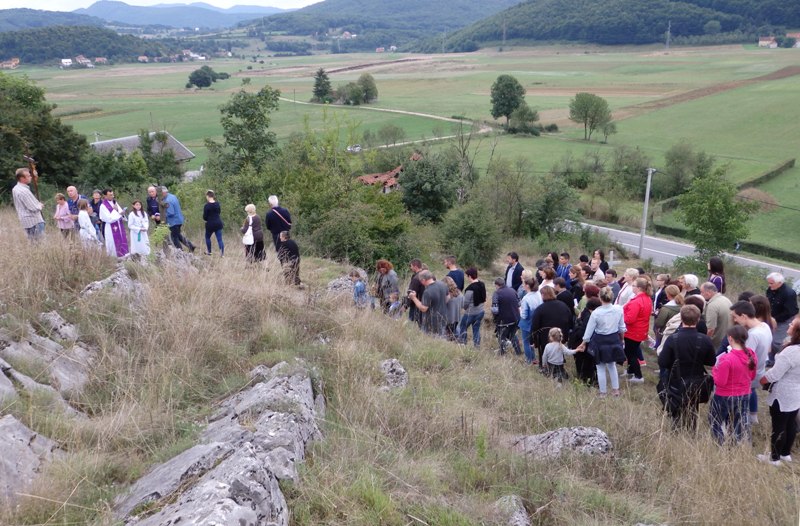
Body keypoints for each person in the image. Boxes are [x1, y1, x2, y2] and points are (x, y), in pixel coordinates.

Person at [657, 305, 716, 431]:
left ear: (681, 318)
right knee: (692, 409)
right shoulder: (704, 339)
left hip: (675, 380)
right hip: (696, 381)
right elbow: (711, 361)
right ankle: (690, 433)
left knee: (675, 409)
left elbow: (662, 362)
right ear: (698, 319)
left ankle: (676, 433)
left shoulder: (673, 338)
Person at [758, 315, 800, 466]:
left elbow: (775, 374)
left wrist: (761, 380)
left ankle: (774, 458)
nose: (788, 325)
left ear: (797, 332)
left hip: (782, 394)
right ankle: (785, 453)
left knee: (779, 426)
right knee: (791, 424)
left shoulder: (791, 352)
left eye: (792, 325)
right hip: (796, 392)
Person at [710, 325, 757, 445]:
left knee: (715, 420)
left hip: (725, 395)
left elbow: (720, 382)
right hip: (744, 393)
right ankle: (738, 444)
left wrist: (715, 370)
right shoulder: (751, 354)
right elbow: (752, 376)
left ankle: (719, 444)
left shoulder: (726, 359)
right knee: (739, 421)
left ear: (730, 338)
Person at [578, 286, 626, 397]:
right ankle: (615, 390)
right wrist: (622, 339)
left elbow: (588, 332)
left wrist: (583, 343)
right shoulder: (619, 309)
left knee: (600, 367)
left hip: (600, 340)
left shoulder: (596, 313)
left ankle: (603, 393)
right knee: (612, 365)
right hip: (614, 339)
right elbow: (622, 328)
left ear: (600, 298)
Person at [730, 300, 772, 425]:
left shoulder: (752, 335)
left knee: (742, 398)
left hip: (748, 374)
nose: (735, 321)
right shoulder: (764, 326)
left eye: (735, 317)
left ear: (743, 316)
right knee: (752, 390)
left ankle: (742, 421)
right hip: (760, 369)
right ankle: (753, 416)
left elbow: (744, 357)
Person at [532, 285, 574, 366]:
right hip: (560, 335)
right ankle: (559, 368)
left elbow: (535, 326)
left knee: (545, 355)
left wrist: (534, 340)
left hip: (546, 337)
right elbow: (570, 320)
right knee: (559, 352)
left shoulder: (540, 308)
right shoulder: (563, 306)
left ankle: (545, 369)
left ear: (543, 295)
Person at [622, 277, 652, 384]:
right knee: (630, 351)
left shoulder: (637, 301)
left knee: (631, 353)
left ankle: (638, 376)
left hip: (633, 331)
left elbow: (630, 319)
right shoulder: (647, 298)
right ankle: (630, 371)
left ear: (639, 288)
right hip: (640, 330)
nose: (632, 287)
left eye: (633, 286)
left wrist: (621, 315)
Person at [766, 272, 798, 366]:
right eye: (769, 283)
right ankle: (769, 359)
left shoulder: (789, 293)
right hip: (772, 317)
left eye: (771, 283)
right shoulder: (771, 289)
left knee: (777, 341)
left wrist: (775, 319)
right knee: (769, 338)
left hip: (784, 319)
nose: (769, 285)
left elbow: (791, 311)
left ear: (779, 283)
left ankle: (778, 360)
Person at [408, 270, 448, 336]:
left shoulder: (428, 291)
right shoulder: (442, 284)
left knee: (430, 340)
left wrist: (414, 298)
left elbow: (423, 308)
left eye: (420, 281)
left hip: (430, 323)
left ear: (423, 280)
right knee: (441, 339)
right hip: (443, 318)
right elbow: (448, 298)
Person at [12, 167, 45, 241]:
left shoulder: (16, 188)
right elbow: (33, 208)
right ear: (22, 178)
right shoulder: (23, 191)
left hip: (27, 221)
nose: (30, 177)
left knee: (33, 244)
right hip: (34, 221)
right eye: (28, 176)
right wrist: (40, 205)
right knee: (39, 245)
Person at [491, 277, 521, 355]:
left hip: (503, 320)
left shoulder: (496, 293)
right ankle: (518, 352)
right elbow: (519, 304)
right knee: (512, 335)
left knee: (501, 336)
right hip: (515, 318)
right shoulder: (513, 290)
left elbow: (495, 310)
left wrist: (495, 318)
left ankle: (502, 352)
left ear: (497, 285)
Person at [161, 186, 195, 252]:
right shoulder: (172, 196)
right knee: (178, 235)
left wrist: (162, 215)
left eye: (160, 194)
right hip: (179, 219)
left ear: (164, 192)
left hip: (174, 221)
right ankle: (191, 246)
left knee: (174, 237)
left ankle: (180, 252)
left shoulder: (168, 201)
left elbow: (171, 213)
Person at [459, 268, 486, 348]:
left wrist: (463, 307)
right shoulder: (482, 284)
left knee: (463, 327)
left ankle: (463, 344)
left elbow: (466, 303)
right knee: (476, 329)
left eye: (467, 276)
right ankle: (476, 346)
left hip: (470, 313)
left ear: (470, 276)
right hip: (480, 312)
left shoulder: (470, 289)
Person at [701, 282, 732, 350]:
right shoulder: (726, 300)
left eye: (702, 292)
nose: (701, 294)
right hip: (727, 339)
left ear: (708, 292)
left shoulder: (712, 305)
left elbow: (710, 329)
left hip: (716, 342)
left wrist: (703, 343)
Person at [519, 277, 543, 365]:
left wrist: (519, 310)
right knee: (532, 341)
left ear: (528, 286)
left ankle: (529, 360)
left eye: (524, 284)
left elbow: (524, 315)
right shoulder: (539, 294)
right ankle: (533, 358)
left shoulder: (526, 298)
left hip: (527, 323)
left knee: (526, 342)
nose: (523, 285)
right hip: (537, 322)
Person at [99, 189, 129, 258]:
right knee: (112, 242)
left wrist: (121, 213)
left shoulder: (115, 202)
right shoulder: (103, 206)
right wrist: (116, 211)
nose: (112, 196)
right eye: (110, 195)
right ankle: (114, 257)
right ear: (105, 196)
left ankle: (124, 255)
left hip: (119, 224)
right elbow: (108, 219)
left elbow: (120, 213)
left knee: (122, 239)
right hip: (110, 227)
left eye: (113, 194)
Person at [203, 190, 224, 256]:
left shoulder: (207, 206)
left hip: (210, 224)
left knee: (207, 237)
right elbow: (219, 212)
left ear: (208, 196)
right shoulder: (217, 204)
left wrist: (207, 219)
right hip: (218, 223)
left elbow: (205, 217)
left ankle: (209, 252)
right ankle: (222, 254)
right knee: (220, 239)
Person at [444, 276, 463, 341]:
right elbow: (463, 305)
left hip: (447, 319)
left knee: (446, 336)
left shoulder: (447, 296)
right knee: (454, 334)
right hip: (457, 318)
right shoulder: (460, 293)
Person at [407, 259, 426, 326]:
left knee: (412, 324)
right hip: (424, 303)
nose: (410, 268)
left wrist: (406, 305)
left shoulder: (416, 278)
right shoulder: (426, 275)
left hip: (416, 304)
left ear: (415, 266)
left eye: (411, 266)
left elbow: (412, 293)